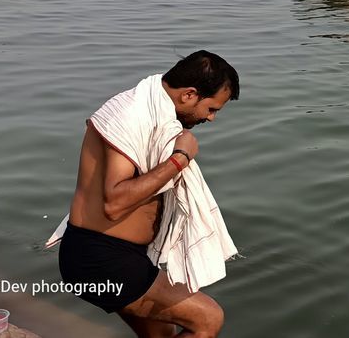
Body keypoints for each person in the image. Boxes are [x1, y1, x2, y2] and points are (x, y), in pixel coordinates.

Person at [47, 51, 241, 338]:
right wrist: (179, 159)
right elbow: (115, 202)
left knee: (161, 335)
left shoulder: (150, 112)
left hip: (121, 255)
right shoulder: (131, 114)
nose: (210, 119)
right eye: (211, 109)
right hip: (100, 258)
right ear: (189, 95)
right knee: (208, 319)